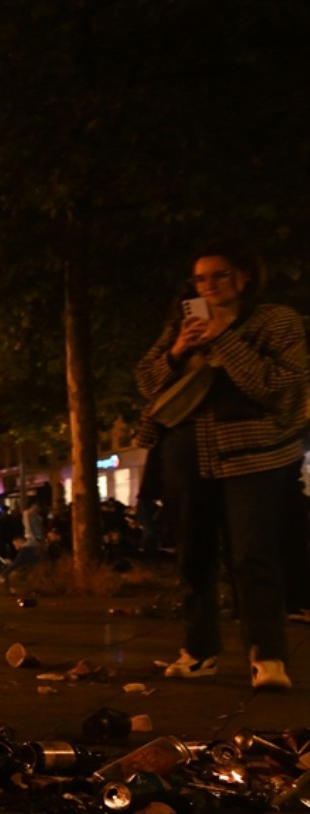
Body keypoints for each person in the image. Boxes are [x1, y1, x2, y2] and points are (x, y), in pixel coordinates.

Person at [135, 239, 306, 690]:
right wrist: (176, 350)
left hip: (254, 453)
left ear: (244, 277)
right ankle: (199, 651)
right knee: (193, 555)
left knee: (253, 555)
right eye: (201, 278)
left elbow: (276, 386)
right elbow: (146, 381)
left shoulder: (276, 321)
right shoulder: (183, 321)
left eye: (221, 275)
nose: (209, 285)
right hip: (186, 450)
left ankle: (268, 657)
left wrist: (225, 339)